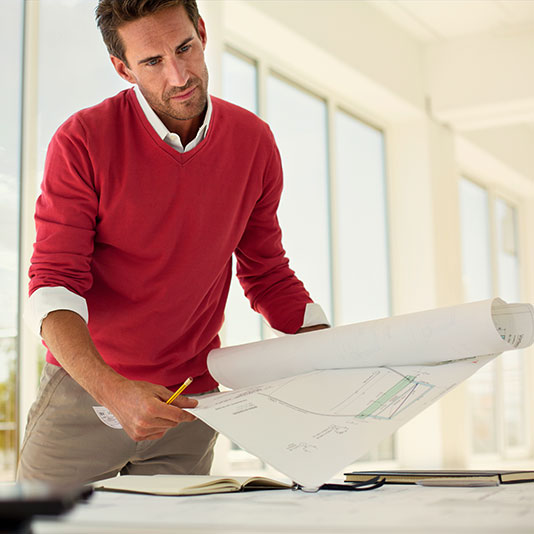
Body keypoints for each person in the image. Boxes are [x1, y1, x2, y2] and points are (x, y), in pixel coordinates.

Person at [18, 0, 328, 485]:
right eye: (152, 62)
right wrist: (112, 391)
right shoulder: (81, 141)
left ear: (202, 31)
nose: (180, 75)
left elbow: (267, 272)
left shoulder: (254, 143)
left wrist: (331, 346)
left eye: (185, 47)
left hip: (188, 402)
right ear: (123, 68)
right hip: (88, 389)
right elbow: (54, 286)